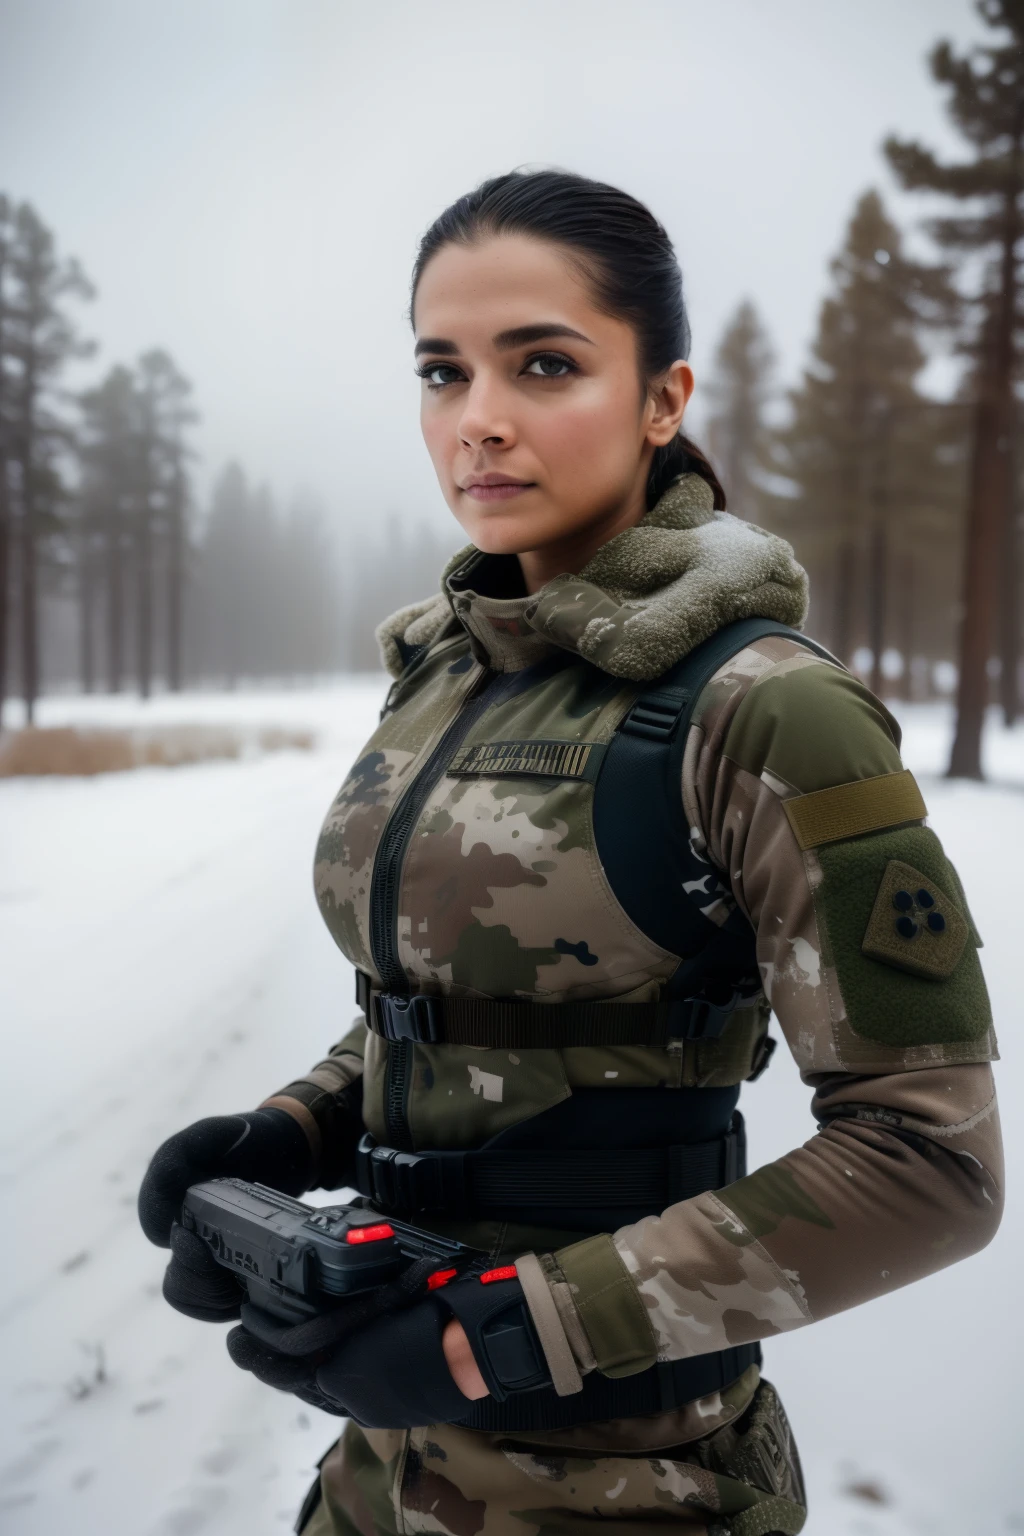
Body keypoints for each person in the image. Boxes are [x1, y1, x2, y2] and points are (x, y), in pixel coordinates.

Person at [139, 170, 1003, 1536]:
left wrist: (509, 1333)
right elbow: (468, 1011)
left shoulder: (766, 709)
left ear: (665, 398)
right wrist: (291, 1124)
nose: (478, 419)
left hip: (626, 1485)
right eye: (442, 370)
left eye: (544, 363)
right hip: (386, 1472)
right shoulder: (445, 675)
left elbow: (929, 1165)